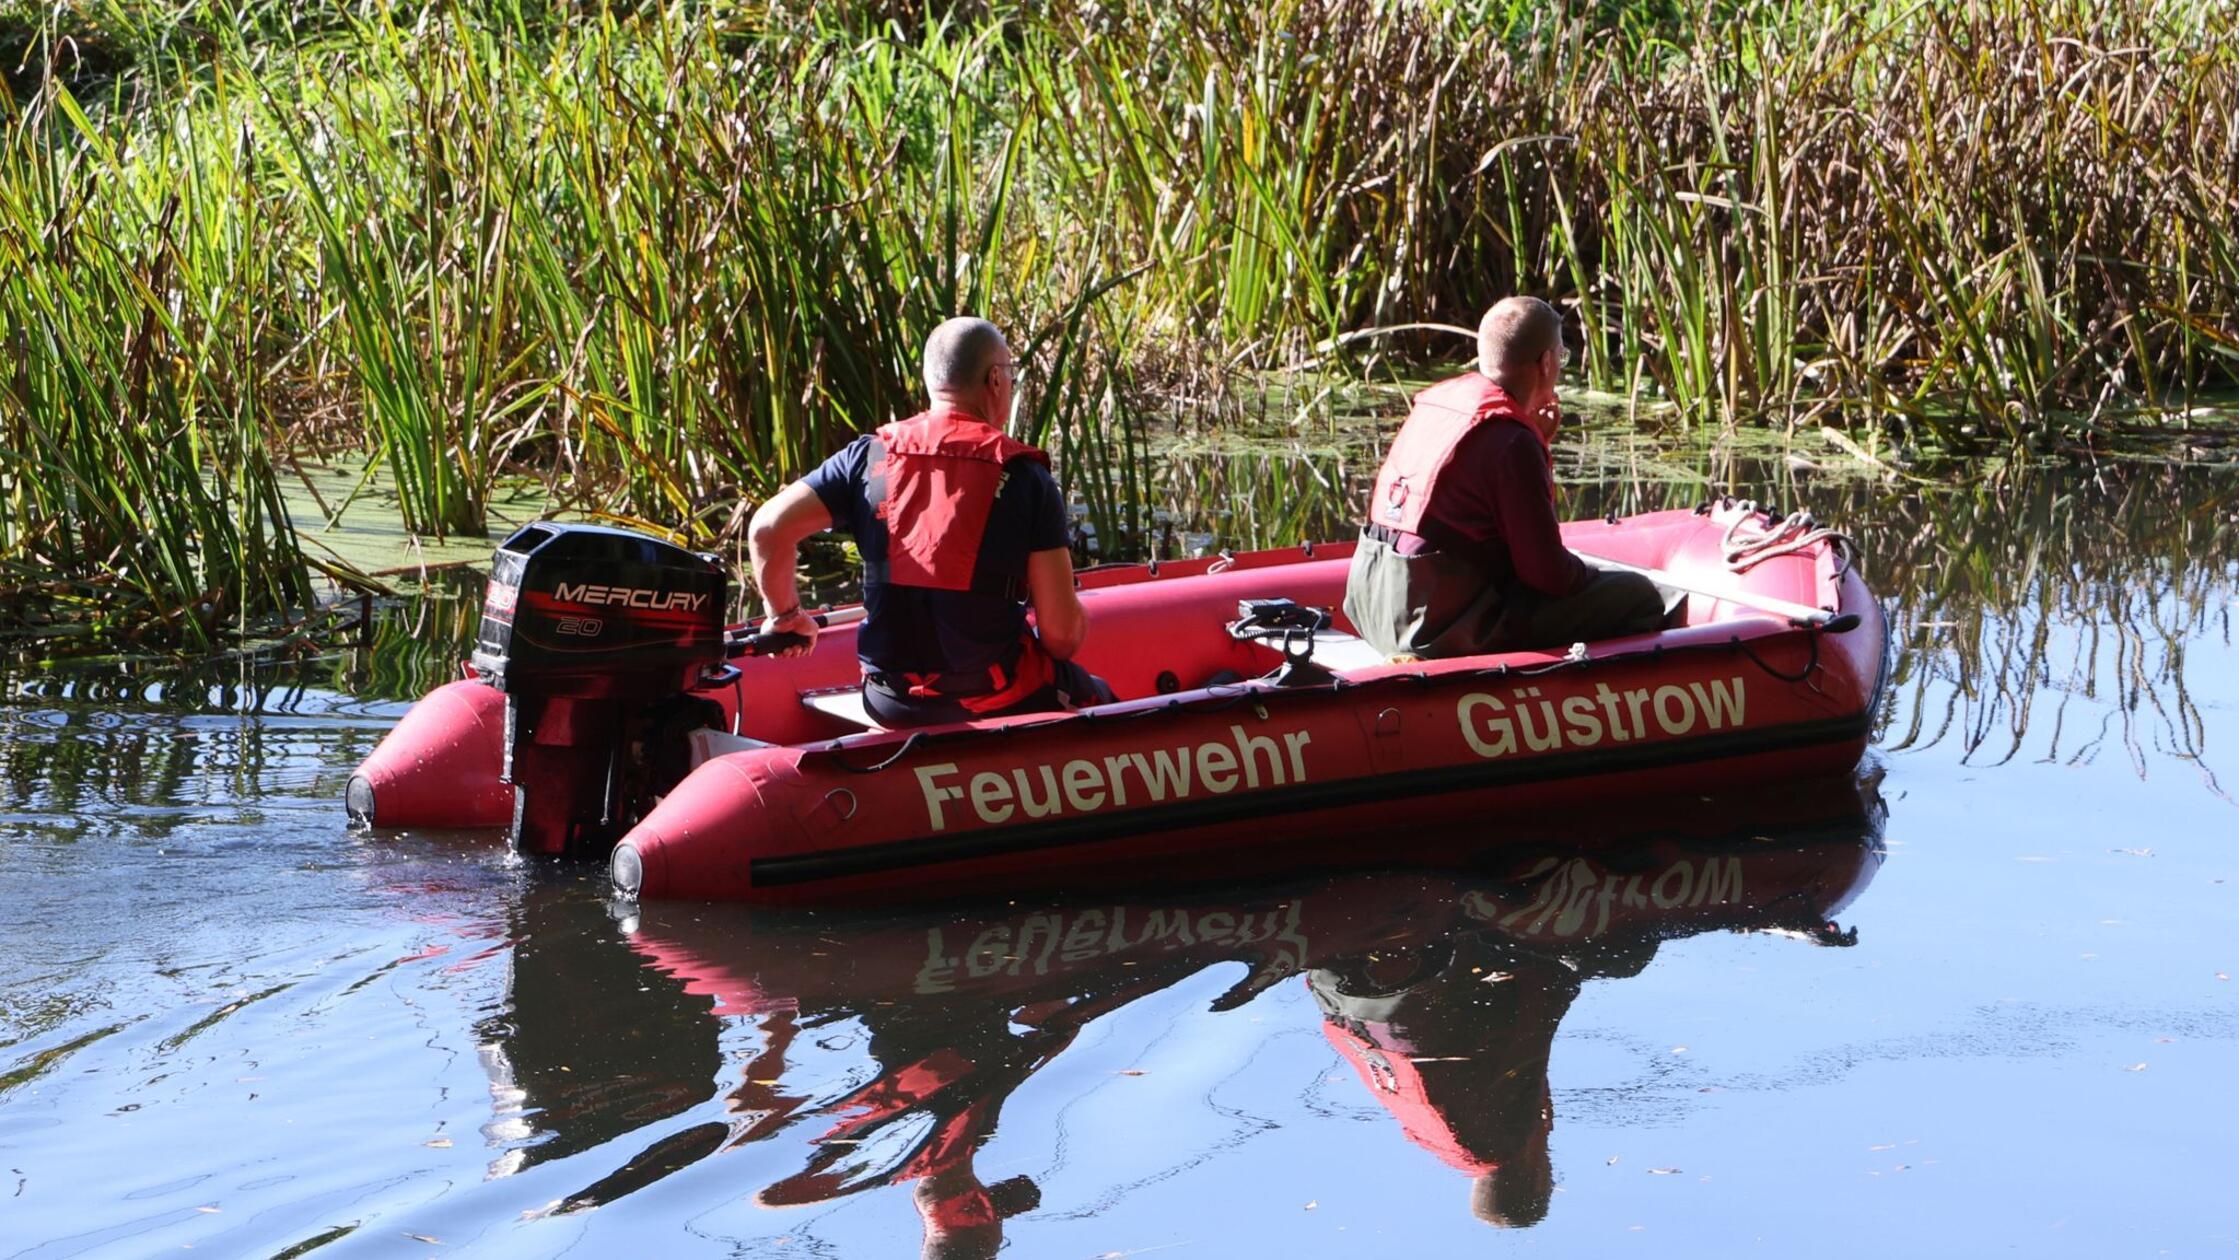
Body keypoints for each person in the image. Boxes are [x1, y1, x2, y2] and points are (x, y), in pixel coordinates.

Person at [747, 316, 1107, 728]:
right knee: (1100, 697)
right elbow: (1061, 638)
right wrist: (1077, 616)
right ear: (994, 380)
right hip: (993, 697)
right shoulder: (1025, 477)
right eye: (1010, 373)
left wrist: (786, 615)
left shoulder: (867, 457)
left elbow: (767, 529)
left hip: (889, 700)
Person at [1343, 296, 1677, 660]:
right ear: (1546, 363)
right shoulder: (1512, 441)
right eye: (1562, 357)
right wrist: (1594, 575)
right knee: (1638, 596)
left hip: (1373, 605)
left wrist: (1535, 440)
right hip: (1430, 627)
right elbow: (1549, 576)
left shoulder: (1444, 405)